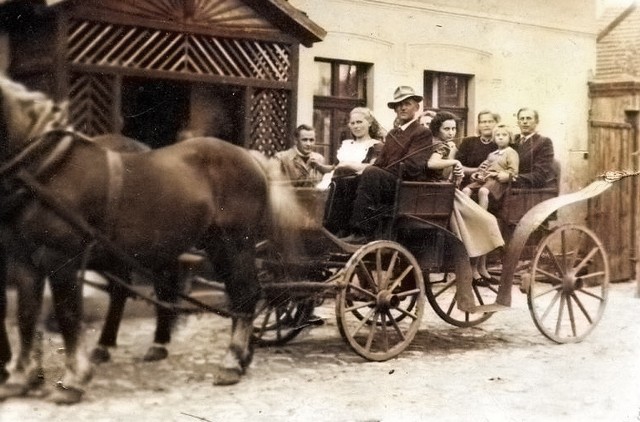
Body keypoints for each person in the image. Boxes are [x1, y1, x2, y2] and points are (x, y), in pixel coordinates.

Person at [427, 111, 505, 308]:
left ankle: (480, 265)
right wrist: (455, 162)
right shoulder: (441, 145)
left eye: (453, 128)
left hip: (446, 190)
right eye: (446, 128)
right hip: (444, 194)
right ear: (438, 130)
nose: (451, 132)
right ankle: (476, 259)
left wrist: (457, 170)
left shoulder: (447, 146)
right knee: (484, 220)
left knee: (481, 217)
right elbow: (433, 164)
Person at [340, 86, 433, 243]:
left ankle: (362, 231)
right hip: (387, 183)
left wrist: (377, 171)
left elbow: (413, 166)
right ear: (395, 109)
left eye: (407, 103)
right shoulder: (392, 134)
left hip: (404, 187)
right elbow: (380, 162)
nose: (402, 107)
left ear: (416, 107)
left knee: (371, 173)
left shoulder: (421, 132)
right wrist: (367, 171)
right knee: (345, 179)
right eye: (398, 105)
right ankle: (338, 228)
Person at [462, 124, 519, 209]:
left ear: (510, 137)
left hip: (499, 182)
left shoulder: (511, 152)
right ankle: (465, 215)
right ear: (494, 138)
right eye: (497, 135)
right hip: (486, 180)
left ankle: (483, 217)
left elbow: (514, 172)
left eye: (504, 135)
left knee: (483, 191)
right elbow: (485, 169)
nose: (500, 137)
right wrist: (478, 175)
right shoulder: (491, 154)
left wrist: (495, 174)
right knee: (465, 190)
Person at [496, 108, 555, 188]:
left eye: (529, 118)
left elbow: (540, 175)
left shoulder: (543, 142)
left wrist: (511, 178)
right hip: (505, 185)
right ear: (518, 122)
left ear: (536, 122)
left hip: (527, 189)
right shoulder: (512, 139)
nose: (525, 122)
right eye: (522, 119)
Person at [456, 110, 500, 187]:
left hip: (492, 187)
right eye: (483, 122)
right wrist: (477, 170)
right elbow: (458, 166)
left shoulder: (500, 144)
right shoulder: (468, 142)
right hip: (468, 184)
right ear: (479, 125)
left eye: (490, 121)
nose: (486, 125)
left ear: (496, 124)